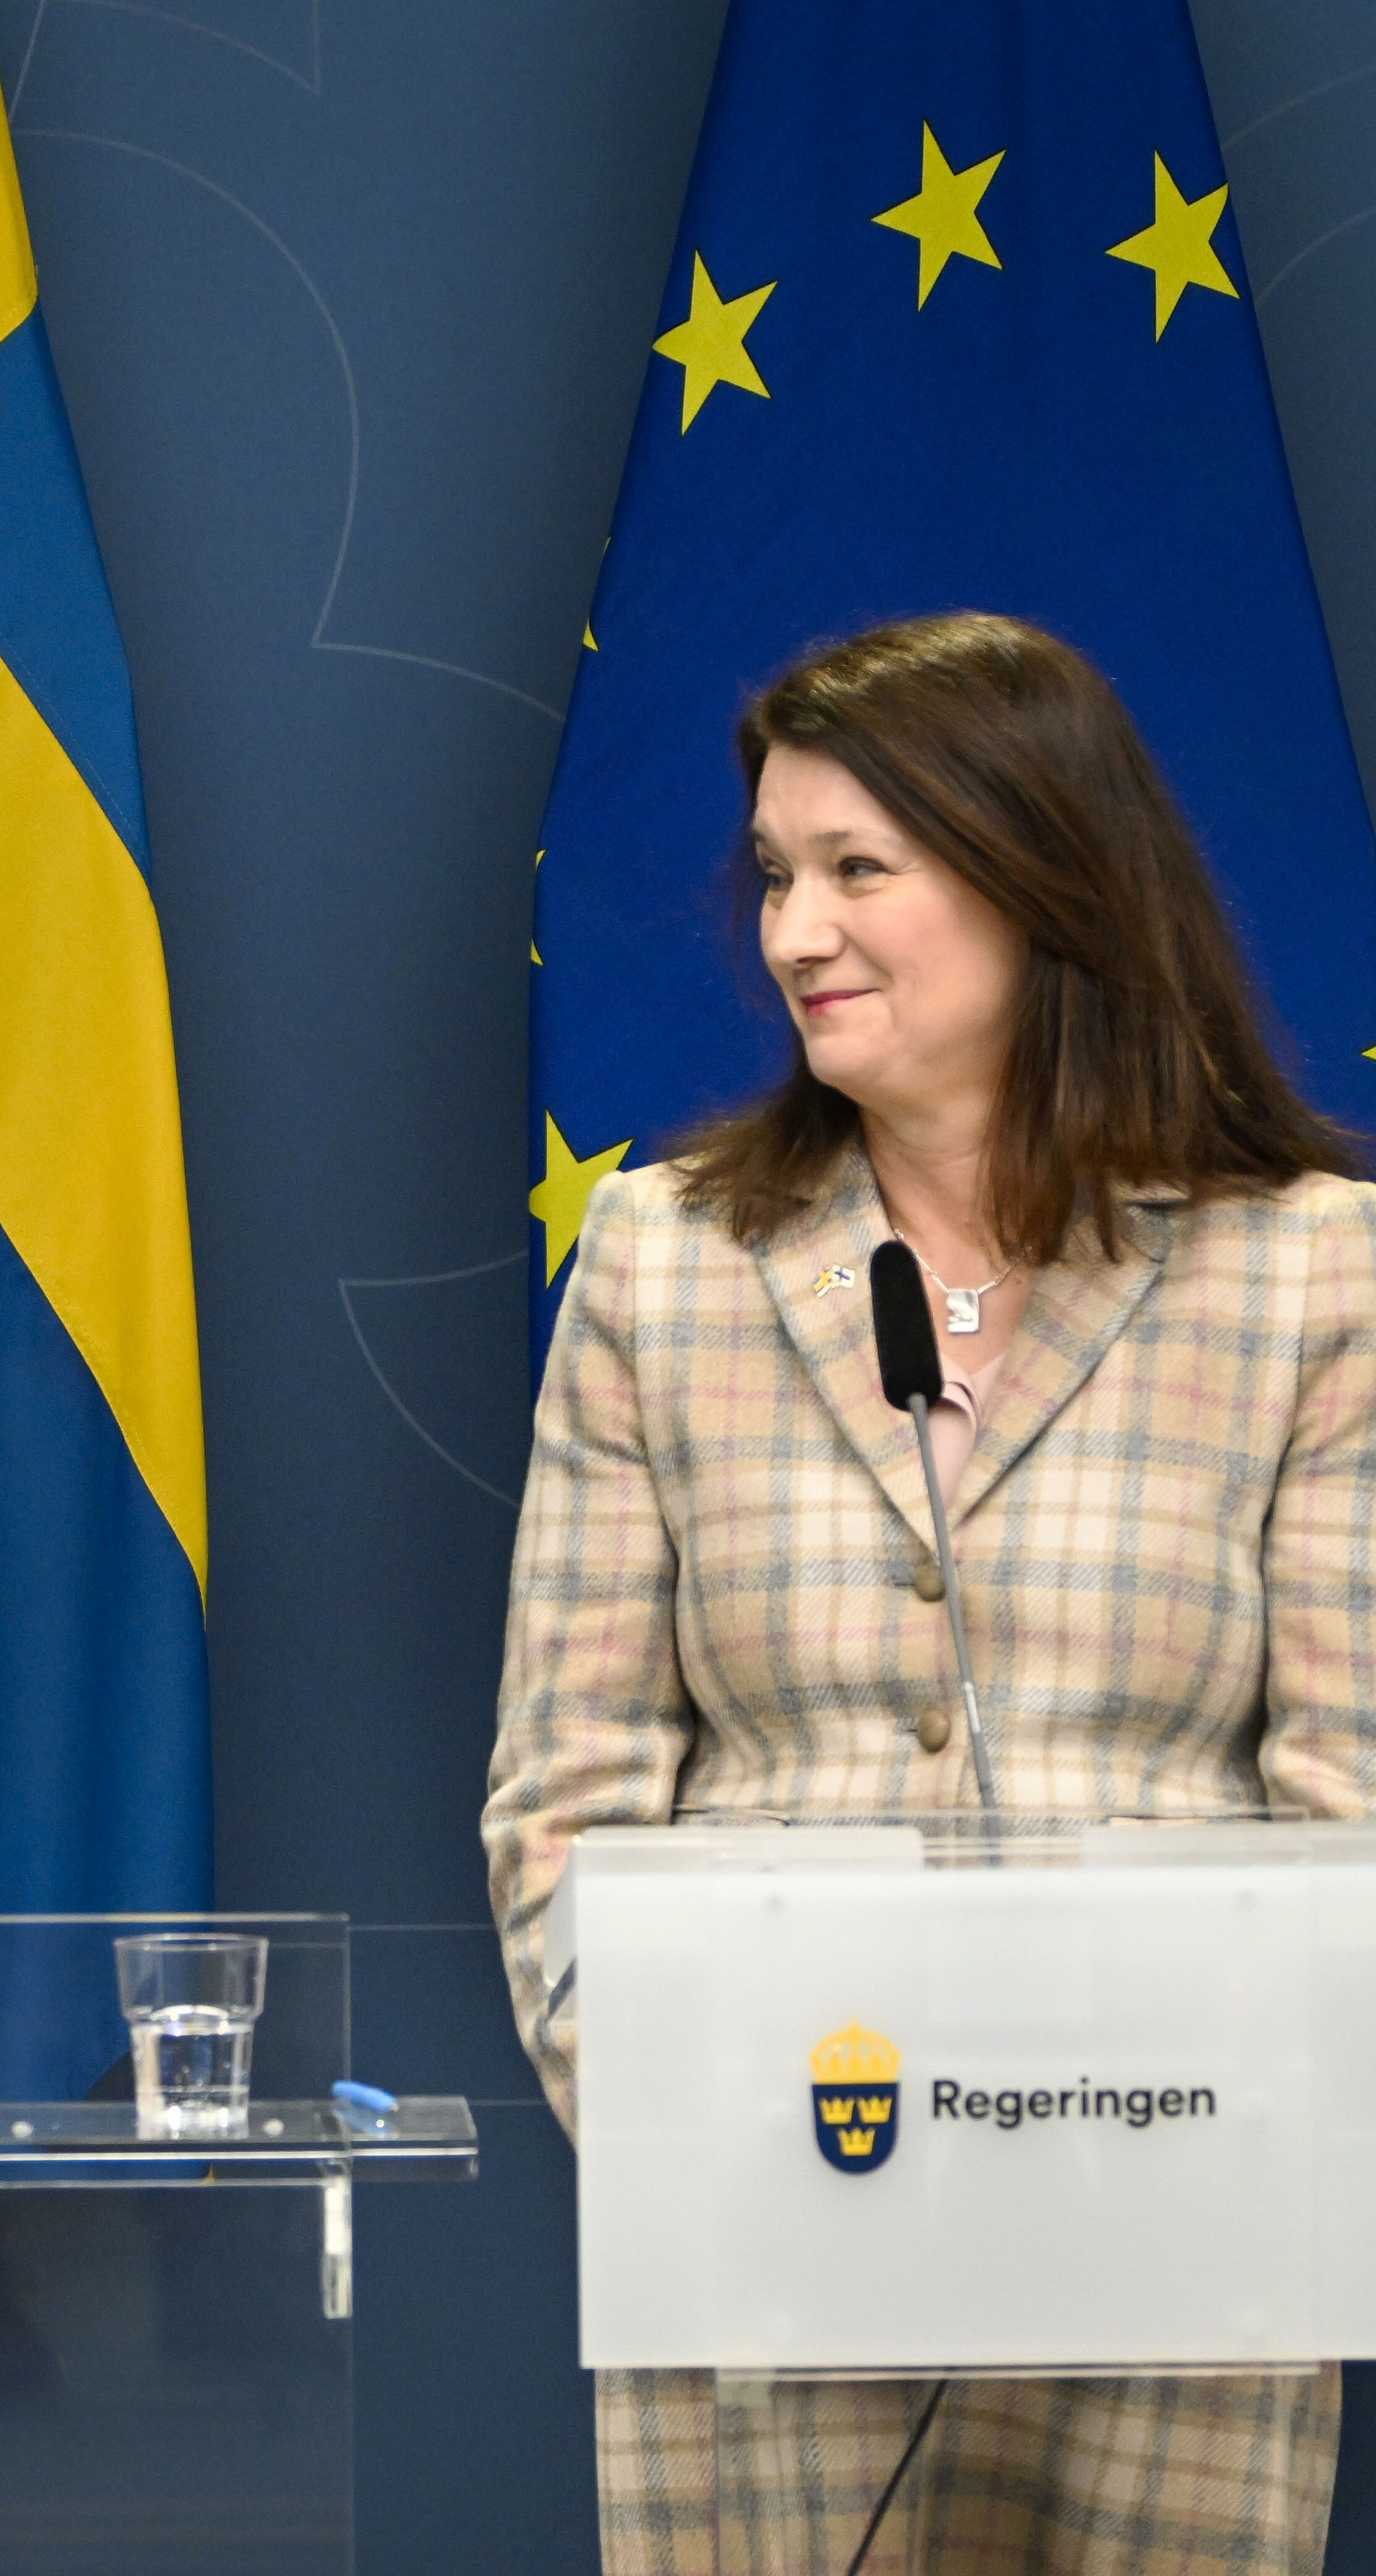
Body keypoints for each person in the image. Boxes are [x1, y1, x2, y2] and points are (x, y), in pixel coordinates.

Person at [483, 612, 1376, 2574]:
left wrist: (1154, 2123)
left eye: (856, 872)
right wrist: (696, 2133)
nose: (794, 931)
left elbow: (1354, 1803)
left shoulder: (1316, 1276)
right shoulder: (665, 1258)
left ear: (1042, 876)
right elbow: (563, 1793)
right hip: (775, 2227)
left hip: (1179, 2235)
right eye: (777, 876)